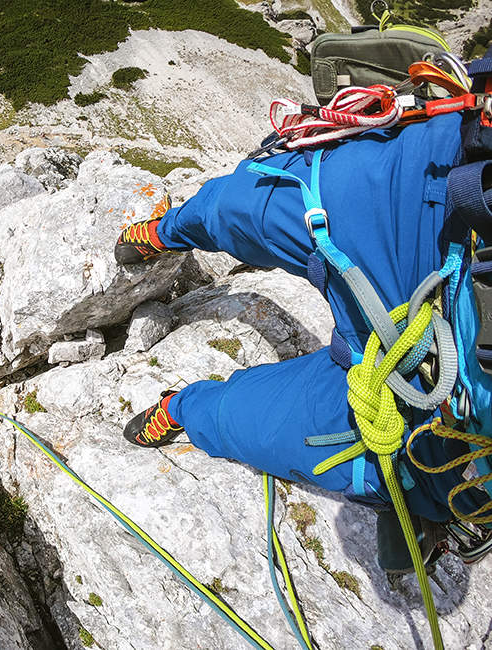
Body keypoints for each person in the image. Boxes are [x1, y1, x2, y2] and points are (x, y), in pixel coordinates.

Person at [113, 103, 492, 582]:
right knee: (240, 203)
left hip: (426, 425)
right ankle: (170, 231)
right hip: (443, 173)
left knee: (246, 418)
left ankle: (181, 408)